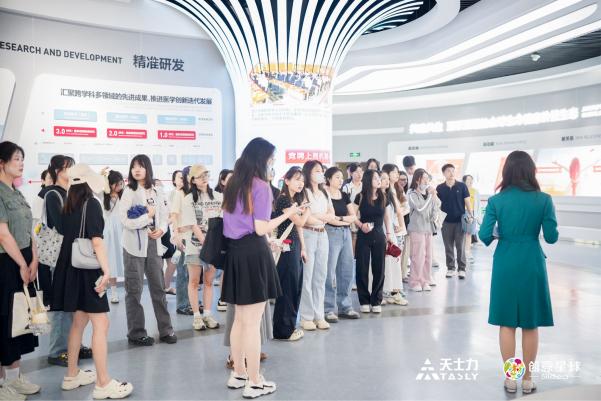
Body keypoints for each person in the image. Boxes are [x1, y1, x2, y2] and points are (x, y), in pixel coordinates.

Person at [222, 137, 300, 398]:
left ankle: (239, 373)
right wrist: (288, 214)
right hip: (254, 253)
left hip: (235, 253)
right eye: (271, 159)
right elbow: (260, 227)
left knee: (240, 319)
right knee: (252, 323)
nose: (272, 163)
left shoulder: (233, 184)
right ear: (262, 159)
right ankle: (255, 381)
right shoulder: (261, 186)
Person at [479, 150, 558, 394]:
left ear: (507, 172)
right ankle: (528, 379)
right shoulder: (544, 200)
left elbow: (484, 235)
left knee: (507, 322)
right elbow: (551, 237)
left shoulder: (496, 201)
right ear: (531, 171)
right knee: (530, 323)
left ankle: (511, 378)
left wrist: (502, 232)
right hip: (532, 261)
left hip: (505, 261)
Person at [53, 164, 133, 399]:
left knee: (79, 322)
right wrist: (107, 271)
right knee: (101, 323)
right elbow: (97, 241)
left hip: (71, 269)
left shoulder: (68, 204)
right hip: (88, 271)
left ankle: (71, 375)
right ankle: (103, 383)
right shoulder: (92, 204)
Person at [39, 155, 93, 368]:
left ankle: (73, 345)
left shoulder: (70, 193)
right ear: (58, 171)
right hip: (58, 257)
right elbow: (61, 226)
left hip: (71, 255)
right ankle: (57, 350)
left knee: (71, 302)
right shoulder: (53, 194)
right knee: (59, 303)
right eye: (68, 167)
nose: (72, 171)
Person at [120, 155, 176, 346]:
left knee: (158, 288)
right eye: (134, 166)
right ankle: (136, 333)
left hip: (153, 244)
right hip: (133, 247)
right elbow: (125, 221)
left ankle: (166, 330)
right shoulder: (128, 191)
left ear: (148, 169)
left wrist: (162, 229)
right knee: (133, 290)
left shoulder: (158, 190)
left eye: (141, 166)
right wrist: (147, 218)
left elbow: (164, 215)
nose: (137, 169)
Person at [0, 141, 41, 399]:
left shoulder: (16, 192)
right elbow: (3, 235)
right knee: (4, 322)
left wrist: (34, 259)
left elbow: (29, 229)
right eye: (16, 158)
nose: (21, 163)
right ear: (1, 163)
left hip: (24, 261)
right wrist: (23, 264)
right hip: (7, 264)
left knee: (19, 322)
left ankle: (14, 379)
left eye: (22, 158)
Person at [180, 164, 222, 330]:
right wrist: (207, 244)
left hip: (213, 246)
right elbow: (193, 224)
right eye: (200, 176)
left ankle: (208, 315)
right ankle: (197, 317)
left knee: (209, 281)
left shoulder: (218, 196)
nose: (204, 178)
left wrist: (214, 245)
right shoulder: (188, 199)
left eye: (206, 174)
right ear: (193, 180)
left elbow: (222, 220)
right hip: (195, 245)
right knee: (194, 281)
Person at [272, 167, 312, 340]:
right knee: (288, 288)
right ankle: (283, 330)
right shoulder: (283, 200)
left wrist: (303, 247)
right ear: (286, 181)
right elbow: (301, 222)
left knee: (295, 287)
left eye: (302, 180)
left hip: (294, 247)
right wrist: (308, 210)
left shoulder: (294, 201)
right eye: (296, 179)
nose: (300, 183)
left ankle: (289, 327)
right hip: (285, 248)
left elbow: (298, 227)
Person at [299, 160, 335, 331]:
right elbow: (306, 219)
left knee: (321, 276)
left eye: (321, 170)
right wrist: (321, 217)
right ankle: (306, 317)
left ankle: (319, 315)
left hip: (323, 235)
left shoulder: (324, 192)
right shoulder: (304, 192)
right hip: (308, 234)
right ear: (308, 173)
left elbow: (331, 214)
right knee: (307, 277)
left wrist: (319, 217)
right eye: (317, 171)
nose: (321, 173)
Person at [353, 169, 394, 313]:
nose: (379, 180)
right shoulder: (360, 196)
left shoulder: (384, 196)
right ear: (368, 180)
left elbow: (387, 217)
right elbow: (352, 215)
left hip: (379, 235)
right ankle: (364, 301)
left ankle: (376, 300)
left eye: (379, 178)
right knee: (362, 269)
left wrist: (388, 233)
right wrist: (360, 225)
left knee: (379, 269)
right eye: (376, 178)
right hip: (363, 235)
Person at [323, 167, 360, 322]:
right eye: (337, 177)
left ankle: (345, 306)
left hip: (345, 233)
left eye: (341, 177)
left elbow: (353, 216)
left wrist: (340, 219)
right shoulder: (324, 194)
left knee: (346, 270)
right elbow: (329, 218)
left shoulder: (344, 195)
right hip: (330, 232)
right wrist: (343, 219)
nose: (340, 180)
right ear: (329, 179)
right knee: (329, 272)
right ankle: (327, 309)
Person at [436, 164, 473, 279]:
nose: (451, 173)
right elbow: (437, 204)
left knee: (460, 246)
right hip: (445, 221)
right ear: (444, 173)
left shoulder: (462, 186)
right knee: (448, 246)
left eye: (453, 171)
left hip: (459, 221)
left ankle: (462, 269)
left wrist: (471, 215)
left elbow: (467, 202)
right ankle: (450, 268)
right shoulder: (440, 188)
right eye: (448, 171)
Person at [407, 169, 440, 292]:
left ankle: (425, 280)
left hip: (428, 229)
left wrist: (434, 196)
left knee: (428, 256)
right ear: (417, 180)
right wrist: (430, 196)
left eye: (427, 178)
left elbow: (437, 206)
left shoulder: (429, 193)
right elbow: (420, 209)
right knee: (418, 256)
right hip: (417, 229)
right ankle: (415, 281)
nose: (427, 181)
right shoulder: (412, 194)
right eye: (424, 178)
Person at [379, 168, 409, 306]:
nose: (385, 181)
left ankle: (395, 292)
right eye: (382, 178)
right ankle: (383, 292)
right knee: (382, 265)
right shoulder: (375, 196)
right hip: (380, 232)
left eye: (386, 178)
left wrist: (401, 226)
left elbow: (399, 211)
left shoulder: (391, 194)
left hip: (391, 232)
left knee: (394, 262)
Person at [170, 168, 193, 315]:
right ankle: (182, 305)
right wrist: (177, 235)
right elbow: (173, 216)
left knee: (193, 274)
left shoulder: (195, 194)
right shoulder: (179, 193)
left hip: (194, 238)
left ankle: (191, 302)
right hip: (183, 237)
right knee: (183, 273)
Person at [101, 169, 125, 304]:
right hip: (109, 232)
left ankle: (130, 291)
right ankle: (114, 293)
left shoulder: (125, 195)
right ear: (109, 184)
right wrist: (102, 176)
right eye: (117, 183)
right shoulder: (103, 195)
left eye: (121, 183)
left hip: (123, 230)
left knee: (126, 260)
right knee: (111, 262)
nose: (120, 186)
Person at [214, 168, 233, 312]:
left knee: (229, 270)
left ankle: (229, 298)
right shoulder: (218, 197)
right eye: (230, 178)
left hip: (234, 237)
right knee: (224, 269)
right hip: (223, 237)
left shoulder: (237, 195)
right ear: (222, 181)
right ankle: (222, 299)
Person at [163, 171, 182, 295]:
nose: (182, 180)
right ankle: (164, 287)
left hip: (182, 232)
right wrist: (171, 221)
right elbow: (168, 215)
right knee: (169, 261)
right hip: (167, 231)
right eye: (180, 177)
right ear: (174, 180)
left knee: (174, 261)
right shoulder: (170, 195)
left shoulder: (188, 194)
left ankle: (166, 286)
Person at [396, 171, 411, 283]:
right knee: (396, 252)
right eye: (401, 179)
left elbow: (407, 209)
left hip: (406, 225)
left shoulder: (407, 191)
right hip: (396, 226)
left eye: (405, 179)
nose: (403, 181)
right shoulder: (394, 191)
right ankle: (397, 276)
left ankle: (403, 274)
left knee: (405, 252)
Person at [462, 174, 481, 264]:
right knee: (461, 233)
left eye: (471, 179)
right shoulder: (461, 190)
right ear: (464, 181)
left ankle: (467, 251)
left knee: (469, 233)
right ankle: (461, 252)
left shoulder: (475, 191)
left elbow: (478, 205)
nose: (470, 181)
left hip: (471, 213)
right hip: (462, 213)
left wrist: (476, 216)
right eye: (468, 179)